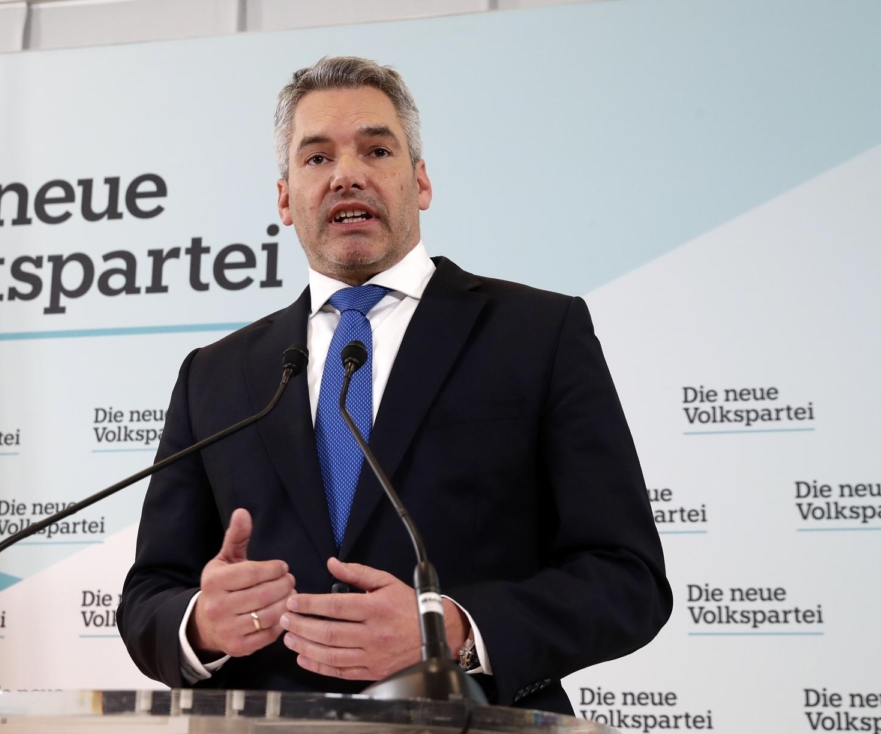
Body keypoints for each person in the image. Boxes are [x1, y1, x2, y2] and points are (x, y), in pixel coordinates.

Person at [117, 56, 671, 714]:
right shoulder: (216, 374)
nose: (347, 173)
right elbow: (151, 595)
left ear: (420, 180)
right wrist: (201, 625)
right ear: (285, 198)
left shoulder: (539, 333)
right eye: (317, 158)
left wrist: (456, 631)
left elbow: (627, 577)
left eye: (376, 149)